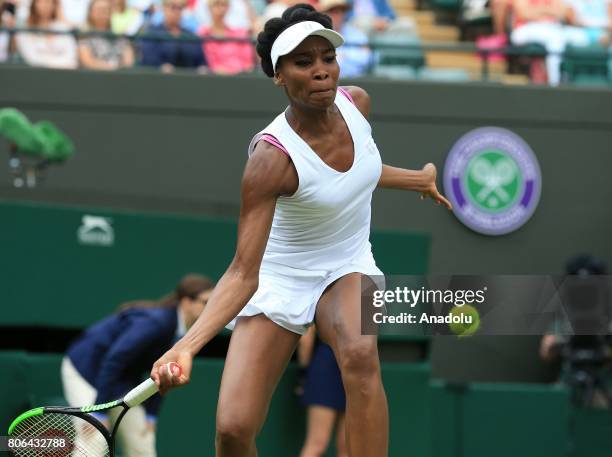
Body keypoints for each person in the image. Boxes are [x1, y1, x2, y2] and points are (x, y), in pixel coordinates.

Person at [150, 4, 451, 456]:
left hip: (345, 265)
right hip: (278, 277)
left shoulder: (357, 105)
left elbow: (353, 173)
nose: (320, 71)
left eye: (326, 58)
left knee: (359, 353)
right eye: (302, 62)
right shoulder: (271, 161)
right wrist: (186, 345)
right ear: (278, 75)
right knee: (233, 430)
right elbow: (242, 273)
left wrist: (416, 179)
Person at [62, 274, 214, 457]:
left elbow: (162, 373)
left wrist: (151, 415)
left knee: (142, 442)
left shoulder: (183, 333)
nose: (211, 309)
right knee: (95, 439)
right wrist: (99, 412)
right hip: (85, 370)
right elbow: (115, 359)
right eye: (206, 302)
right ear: (187, 302)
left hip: (118, 380)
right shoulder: (156, 323)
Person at [298, 327, 348, 457]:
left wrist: (303, 373)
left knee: (343, 447)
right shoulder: (370, 305)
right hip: (342, 369)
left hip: (333, 368)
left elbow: (306, 338)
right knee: (319, 445)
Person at [140, 0, 207, 72]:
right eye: (173, 7)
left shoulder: (190, 36)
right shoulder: (152, 33)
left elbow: (201, 61)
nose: (177, 12)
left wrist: (202, 68)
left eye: (180, 8)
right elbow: (149, 60)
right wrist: (160, 67)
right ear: (164, 8)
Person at [15, 0, 79, 69]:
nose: (46, 5)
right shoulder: (25, 30)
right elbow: (33, 59)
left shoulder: (63, 28)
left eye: (49, 2)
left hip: (64, 75)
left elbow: (71, 58)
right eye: (42, 1)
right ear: (34, 4)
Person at [198, 0, 254, 74]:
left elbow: (248, 63)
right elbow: (210, 62)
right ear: (209, 8)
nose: (220, 9)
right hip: (215, 79)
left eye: (224, 5)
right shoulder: (203, 33)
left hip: (241, 78)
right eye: (216, 4)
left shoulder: (240, 33)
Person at [318, 0, 370, 78]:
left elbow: (365, 58)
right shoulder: (317, 33)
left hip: (355, 81)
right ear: (323, 14)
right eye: (332, 11)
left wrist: (341, 57)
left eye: (341, 11)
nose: (337, 15)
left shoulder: (356, 34)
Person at [79, 0, 134, 69]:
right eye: (99, 10)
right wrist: (111, 67)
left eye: (106, 10)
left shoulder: (120, 37)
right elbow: (87, 62)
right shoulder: (84, 36)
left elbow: (128, 61)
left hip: (120, 77)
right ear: (90, 12)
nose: (102, 13)